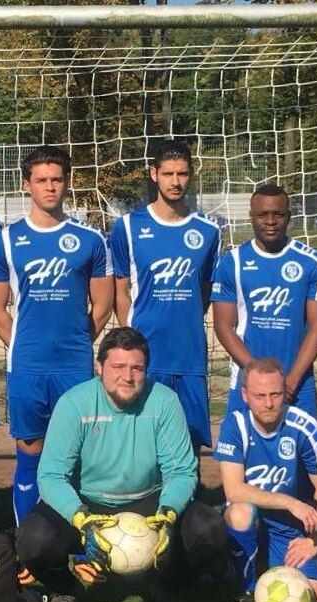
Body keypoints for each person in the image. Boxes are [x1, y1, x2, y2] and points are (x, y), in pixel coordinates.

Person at [16, 327, 227, 602]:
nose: (127, 376)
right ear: (99, 367)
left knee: (210, 529)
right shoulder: (74, 404)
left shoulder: (164, 402)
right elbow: (51, 476)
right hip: (87, 504)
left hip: (149, 501)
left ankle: (167, 587)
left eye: (136, 368)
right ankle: (66, 589)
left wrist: (168, 514)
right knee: (33, 540)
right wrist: (81, 519)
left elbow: (181, 471)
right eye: (117, 367)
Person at [0, 145, 113, 525]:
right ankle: (31, 546)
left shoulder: (90, 240)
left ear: (67, 183)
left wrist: (76, 342)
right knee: (31, 450)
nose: (50, 187)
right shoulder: (5, 240)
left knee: (80, 453)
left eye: (57, 179)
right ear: (27, 185)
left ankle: (81, 541)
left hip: (75, 367)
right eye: (41, 180)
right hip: (28, 367)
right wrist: (21, 345)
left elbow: (102, 306)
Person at [108, 140, 220, 450]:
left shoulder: (209, 231)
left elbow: (206, 289)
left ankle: (189, 499)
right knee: (142, 440)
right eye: (168, 173)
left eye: (182, 174)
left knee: (190, 442)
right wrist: (130, 338)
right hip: (146, 352)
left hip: (189, 352)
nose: (175, 182)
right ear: (154, 174)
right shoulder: (128, 227)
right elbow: (121, 288)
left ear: (191, 175)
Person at [215, 358, 317, 602]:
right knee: (240, 512)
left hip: (288, 532)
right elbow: (233, 491)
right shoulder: (236, 424)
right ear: (245, 395)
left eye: (275, 394)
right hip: (252, 523)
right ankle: (247, 593)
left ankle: (260, 570)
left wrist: (315, 541)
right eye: (259, 396)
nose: (268, 403)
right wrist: (290, 503)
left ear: (285, 393)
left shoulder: (303, 426)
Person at [212, 185, 317, 419]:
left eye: (278, 214)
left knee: (301, 454)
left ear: (289, 216)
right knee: (242, 453)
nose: (270, 221)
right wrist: (256, 375)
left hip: (298, 383)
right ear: (251, 217)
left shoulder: (311, 262)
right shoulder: (231, 262)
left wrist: (293, 379)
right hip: (246, 380)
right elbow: (223, 326)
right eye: (262, 215)